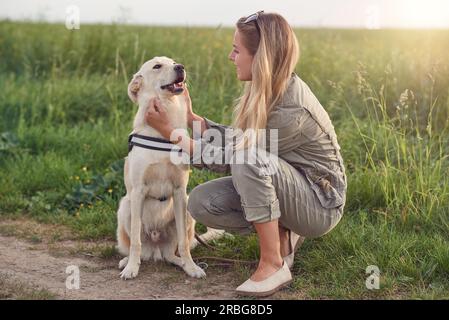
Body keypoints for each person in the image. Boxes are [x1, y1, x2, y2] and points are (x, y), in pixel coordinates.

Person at [145, 11, 347, 297]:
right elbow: (242, 142)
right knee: (202, 203)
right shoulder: (268, 88)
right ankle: (283, 234)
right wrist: (193, 120)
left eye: (237, 50)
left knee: (246, 159)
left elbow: (234, 157)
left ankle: (273, 263)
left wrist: (172, 134)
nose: (231, 56)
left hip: (319, 204)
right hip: (288, 183)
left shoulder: (290, 109)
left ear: (260, 57)